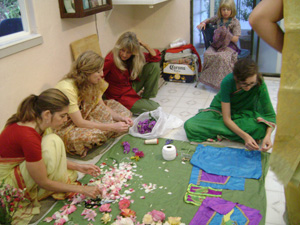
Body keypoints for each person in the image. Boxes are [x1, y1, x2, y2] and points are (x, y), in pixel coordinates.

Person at [0, 88, 102, 225]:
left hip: (21, 167)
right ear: (47, 114)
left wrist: (79, 166)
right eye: (62, 116)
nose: (66, 120)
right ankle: (36, 192)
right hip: (5, 184)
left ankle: (52, 183)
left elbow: (48, 157)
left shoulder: (39, 122)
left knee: (62, 159)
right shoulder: (28, 136)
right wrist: (83, 189)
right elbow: (43, 182)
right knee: (53, 141)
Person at [250, 0, 300, 224]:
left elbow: (269, 117)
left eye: (249, 83)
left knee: (256, 126)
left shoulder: (260, 86)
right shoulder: (229, 84)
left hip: (254, 122)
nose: (246, 87)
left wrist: (267, 134)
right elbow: (225, 114)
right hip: (237, 121)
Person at [184, 58, 276, 151]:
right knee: (190, 126)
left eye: (251, 84)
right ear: (236, 79)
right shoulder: (228, 82)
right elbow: (227, 119)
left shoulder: (259, 83)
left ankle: (224, 133)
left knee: (261, 129)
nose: (248, 88)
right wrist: (245, 136)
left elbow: (270, 115)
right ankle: (239, 135)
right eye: (244, 84)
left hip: (245, 114)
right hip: (220, 113)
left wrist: (268, 136)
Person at [55, 51, 133, 157]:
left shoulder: (93, 81)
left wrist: (120, 118)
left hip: (86, 114)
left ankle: (103, 135)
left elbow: (101, 106)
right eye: (98, 71)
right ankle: (90, 141)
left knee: (123, 113)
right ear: (86, 72)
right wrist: (112, 127)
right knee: (90, 136)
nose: (102, 74)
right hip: (69, 124)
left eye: (101, 70)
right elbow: (80, 123)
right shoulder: (67, 88)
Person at [103, 31, 161, 115]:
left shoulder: (134, 56)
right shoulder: (111, 59)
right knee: (156, 108)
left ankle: (146, 98)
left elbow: (156, 58)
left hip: (130, 86)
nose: (124, 55)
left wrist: (144, 44)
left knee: (154, 66)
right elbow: (99, 77)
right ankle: (140, 103)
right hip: (120, 96)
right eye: (122, 50)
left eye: (128, 52)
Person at [197, 0, 241, 90]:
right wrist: (203, 23)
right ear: (220, 10)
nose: (225, 12)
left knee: (222, 57)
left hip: (229, 46)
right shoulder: (218, 19)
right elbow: (208, 20)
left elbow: (236, 39)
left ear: (232, 10)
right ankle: (209, 80)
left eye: (228, 10)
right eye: (223, 9)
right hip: (217, 45)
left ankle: (224, 84)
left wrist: (227, 34)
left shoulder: (235, 22)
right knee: (207, 54)